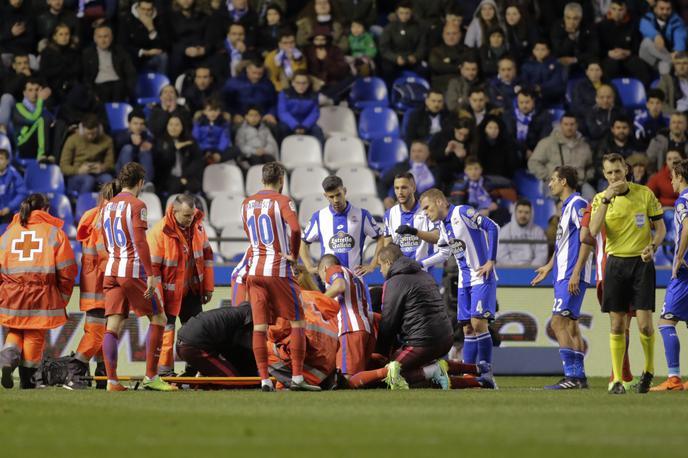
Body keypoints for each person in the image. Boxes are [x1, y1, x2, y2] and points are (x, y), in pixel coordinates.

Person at [348, 245, 487, 390]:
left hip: (421, 342)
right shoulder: (424, 275)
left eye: (380, 265)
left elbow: (389, 322)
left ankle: (436, 370)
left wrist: (381, 352)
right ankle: (479, 372)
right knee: (420, 375)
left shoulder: (394, 282)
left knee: (388, 375)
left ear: (388, 263)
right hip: (445, 338)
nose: (381, 270)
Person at [589, 153, 666, 394]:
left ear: (626, 170)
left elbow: (660, 228)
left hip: (641, 265)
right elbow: (592, 230)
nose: (614, 176)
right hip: (616, 265)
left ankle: (649, 370)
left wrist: (652, 247)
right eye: (610, 173)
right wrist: (605, 201)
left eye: (618, 171)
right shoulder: (600, 198)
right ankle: (617, 381)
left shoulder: (644, 194)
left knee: (644, 325)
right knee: (618, 324)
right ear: (604, 174)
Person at [241, 162, 321, 392]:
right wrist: (294, 256)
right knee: (297, 321)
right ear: (282, 180)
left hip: (254, 270)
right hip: (278, 269)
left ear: (262, 179)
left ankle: (264, 379)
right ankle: (297, 378)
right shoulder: (283, 201)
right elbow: (295, 229)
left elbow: (249, 233)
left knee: (259, 326)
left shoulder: (246, 203)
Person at [100, 162, 177, 392]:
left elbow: (105, 239)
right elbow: (141, 241)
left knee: (112, 324)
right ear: (140, 183)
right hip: (131, 270)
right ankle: (151, 377)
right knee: (159, 318)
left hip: (112, 268)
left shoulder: (106, 206)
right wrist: (152, 274)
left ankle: (112, 382)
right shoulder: (137, 205)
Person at [0, 193, 77, 389]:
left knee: (15, 329)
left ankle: (8, 357)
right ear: (45, 210)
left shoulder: (8, 233)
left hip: (11, 294)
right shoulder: (54, 233)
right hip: (41, 294)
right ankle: (28, 380)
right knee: (34, 334)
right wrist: (63, 297)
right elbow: (67, 271)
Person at [419, 188, 499, 369]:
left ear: (439, 202)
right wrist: (421, 264)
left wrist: (491, 260)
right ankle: (469, 372)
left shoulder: (462, 212)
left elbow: (492, 226)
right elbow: (444, 253)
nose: (425, 213)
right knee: (467, 329)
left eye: (427, 207)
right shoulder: (442, 226)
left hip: (481, 276)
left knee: (479, 324)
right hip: (464, 282)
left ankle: (487, 372)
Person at [531, 166, 593, 389]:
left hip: (571, 274)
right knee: (571, 325)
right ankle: (580, 377)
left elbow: (587, 240)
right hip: (563, 272)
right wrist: (549, 266)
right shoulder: (566, 207)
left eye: (553, 179)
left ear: (564, 181)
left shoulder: (578, 205)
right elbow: (563, 244)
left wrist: (576, 272)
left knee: (558, 323)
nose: (550, 184)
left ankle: (571, 377)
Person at [148, 193, 214, 376]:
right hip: (168, 293)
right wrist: (157, 297)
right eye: (186, 215)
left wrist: (207, 286)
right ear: (174, 211)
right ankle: (164, 372)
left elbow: (207, 257)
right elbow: (152, 269)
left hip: (191, 291)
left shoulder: (198, 227)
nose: (190, 218)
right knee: (166, 333)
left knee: (195, 332)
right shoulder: (159, 232)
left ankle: (192, 370)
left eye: (192, 214)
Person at [63, 181, 121, 390]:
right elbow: (105, 253)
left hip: (92, 284)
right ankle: (74, 370)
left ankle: (103, 374)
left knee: (103, 331)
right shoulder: (109, 218)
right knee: (98, 334)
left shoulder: (93, 215)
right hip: (104, 284)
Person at [651, 158, 688, 391]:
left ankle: (673, 378)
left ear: (680, 177)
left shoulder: (683, 201)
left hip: (684, 272)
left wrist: (678, 257)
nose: (671, 181)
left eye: (673, 177)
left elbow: (687, 228)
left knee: (666, 322)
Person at [301, 175, 383, 275]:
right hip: (329, 281)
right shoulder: (318, 217)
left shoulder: (362, 215)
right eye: (331, 197)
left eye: (338, 194)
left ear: (344, 191)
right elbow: (303, 242)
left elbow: (381, 237)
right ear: (325, 196)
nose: (336, 200)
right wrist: (309, 267)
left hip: (355, 279)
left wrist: (372, 265)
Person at [317, 254, 372, 379]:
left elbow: (339, 286)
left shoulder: (333, 270)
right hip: (362, 327)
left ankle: (388, 371)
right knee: (355, 377)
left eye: (319, 274)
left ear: (324, 268)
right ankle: (382, 365)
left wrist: (318, 301)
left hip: (350, 328)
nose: (321, 279)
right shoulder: (353, 276)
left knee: (345, 378)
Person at [176, 302, 257, 377]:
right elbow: (247, 348)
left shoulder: (235, 314)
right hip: (194, 346)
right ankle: (202, 382)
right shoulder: (250, 315)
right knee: (233, 380)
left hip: (183, 343)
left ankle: (197, 378)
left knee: (232, 373)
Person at [528, 112, 594, 200]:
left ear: (577, 125)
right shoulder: (547, 143)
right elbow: (533, 162)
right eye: (566, 124)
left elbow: (590, 166)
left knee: (593, 200)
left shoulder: (584, 145)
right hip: (555, 182)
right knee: (554, 200)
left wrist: (586, 176)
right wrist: (548, 175)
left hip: (579, 184)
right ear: (560, 125)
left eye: (572, 124)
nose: (569, 127)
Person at [383, 172, 439, 261]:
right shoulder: (389, 214)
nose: (400, 192)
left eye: (404, 187)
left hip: (424, 270)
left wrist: (414, 232)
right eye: (396, 188)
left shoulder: (426, 209)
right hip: (400, 271)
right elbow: (387, 245)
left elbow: (437, 237)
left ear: (413, 188)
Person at [596, 0, 651, 86]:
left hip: (628, 57)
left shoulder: (633, 24)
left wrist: (628, 52)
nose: (617, 13)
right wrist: (608, 53)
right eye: (614, 9)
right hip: (610, 58)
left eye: (620, 10)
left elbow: (638, 46)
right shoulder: (601, 26)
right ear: (609, 9)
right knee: (609, 67)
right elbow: (597, 48)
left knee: (640, 66)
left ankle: (646, 94)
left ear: (625, 10)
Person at [60, 114, 115, 195]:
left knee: (108, 179)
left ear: (99, 130)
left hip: (98, 174)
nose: (90, 136)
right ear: (82, 130)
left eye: (93, 133)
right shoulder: (72, 140)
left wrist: (102, 168)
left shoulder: (107, 140)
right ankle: (83, 205)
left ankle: (107, 206)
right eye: (88, 133)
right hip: (76, 175)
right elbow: (63, 166)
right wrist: (78, 170)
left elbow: (111, 164)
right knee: (89, 180)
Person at [82, 23, 137, 103]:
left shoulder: (120, 51)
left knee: (119, 89)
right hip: (98, 86)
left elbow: (131, 72)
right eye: (100, 37)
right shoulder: (87, 54)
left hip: (118, 85)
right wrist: (91, 92)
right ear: (95, 39)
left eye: (106, 36)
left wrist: (128, 88)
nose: (103, 40)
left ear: (111, 38)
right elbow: (85, 76)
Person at [154, 115, 204, 194]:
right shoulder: (161, 142)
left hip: (187, 176)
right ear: (166, 126)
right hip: (167, 178)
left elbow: (197, 162)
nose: (173, 128)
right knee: (175, 186)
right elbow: (162, 165)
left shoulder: (190, 141)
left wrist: (184, 177)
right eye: (171, 124)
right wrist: (173, 148)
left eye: (177, 125)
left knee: (194, 186)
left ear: (182, 127)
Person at [379, 1, 427, 81]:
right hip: (395, 59)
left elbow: (422, 47)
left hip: (412, 59)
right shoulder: (389, 28)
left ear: (411, 12)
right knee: (387, 68)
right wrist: (395, 58)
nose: (404, 16)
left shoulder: (419, 28)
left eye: (407, 13)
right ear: (397, 12)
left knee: (424, 69)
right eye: (401, 13)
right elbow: (384, 49)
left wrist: (416, 57)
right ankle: (390, 90)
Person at [502, 89, 553, 166]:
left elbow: (544, 138)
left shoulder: (544, 116)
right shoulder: (508, 116)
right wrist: (524, 150)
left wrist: (535, 153)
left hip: (536, 152)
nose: (524, 106)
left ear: (533, 101)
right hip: (515, 150)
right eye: (521, 102)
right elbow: (509, 137)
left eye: (527, 102)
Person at [118, 0, 169, 74]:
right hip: (134, 57)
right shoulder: (127, 19)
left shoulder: (159, 19)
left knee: (163, 57)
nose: (145, 13)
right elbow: (123, 44)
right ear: (138, 8)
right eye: (143, 9)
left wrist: (151, 29)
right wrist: (143, 52)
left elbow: (165, 45)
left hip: (152, 57)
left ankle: (162, 84)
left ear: (153, 9)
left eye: (149, 10)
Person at [12, 78, 55, 163]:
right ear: (24, 93)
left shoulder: (43, 107)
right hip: (23, 144)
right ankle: (42, 155)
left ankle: (53, 156)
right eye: (30, 90)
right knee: (41, 120)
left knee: (58, 124)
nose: (34, 93)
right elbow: (32, 118)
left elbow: (51, 120)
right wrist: (40, 101)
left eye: (36, 90)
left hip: (36, 143)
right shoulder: (19, 107)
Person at [638, 0, 687, 74]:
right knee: (646, 42)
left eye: (668, 9)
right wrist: (656, 35)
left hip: (667, 59)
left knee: (664, 66)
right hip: (651, 58)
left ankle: (670, 61)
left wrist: (677, 51)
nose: (665, 12)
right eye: (662, 8)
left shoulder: (676, 20)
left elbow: (680, 36)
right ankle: (671, 60)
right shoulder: (648, 17)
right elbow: (644, 26)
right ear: (655, 9)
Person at [223, 60, 278, 125]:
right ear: (247, 70)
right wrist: (234, 114)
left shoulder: (268, 84)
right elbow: (226, 103)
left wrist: (271, 113)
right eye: (254, 73)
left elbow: (273, 102)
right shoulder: (233, 83)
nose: (256, 76)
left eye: (260, 74)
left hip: (262, 117)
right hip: (240, 117)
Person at [276, 71, 325, 144]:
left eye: (304, 83)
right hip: (289, 123)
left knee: (317, 131)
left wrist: (305, 126)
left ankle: (320, 153)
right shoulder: (285, 94)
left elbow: (314, 113)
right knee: (282, 129)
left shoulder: (313, 95)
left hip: (307, 123)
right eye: (298, 83)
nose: (301, 86)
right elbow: (282, 112)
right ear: (293, 83)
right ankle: (281, 153)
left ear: (308, 84)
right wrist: (295, 125)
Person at [497, 199, 548, 267]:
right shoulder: (504, 231)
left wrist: (530, 268)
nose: (523, 215)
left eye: (526, 212)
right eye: (520, 212)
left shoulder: (538, 232)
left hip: (532, 270)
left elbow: (542, 255)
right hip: (508, 270)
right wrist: (517, 268)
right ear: (515, 212)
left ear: (531, 214)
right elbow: (500, 256)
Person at [114, 109, 155, 188]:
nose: (138, 127)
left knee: (145, 150)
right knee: (128, 148)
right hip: (122, 172)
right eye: (135, 123)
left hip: (140, 171)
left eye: (141, 124)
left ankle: (146, 185)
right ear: (129, 124)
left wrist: (151, 147)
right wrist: (130, 138)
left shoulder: (147, 137)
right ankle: (128, 182)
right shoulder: (121, 134)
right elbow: (117, 143)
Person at [520, 39, 565, 107]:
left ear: (548, 51)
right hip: (532, 96)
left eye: (543, 49)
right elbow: (524, 82)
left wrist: (541, 88)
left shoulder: (556, 64)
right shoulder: (527, 65)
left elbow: (556, 83)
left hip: (551, 96)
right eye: (537, 49)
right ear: (533, 51)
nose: (540, 52)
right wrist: (534, 88)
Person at [192, 98, 235, 165]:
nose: (213, 113)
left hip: (218, 150)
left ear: (220, 112)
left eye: (215, 110)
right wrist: (205, 150)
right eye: (210, 110)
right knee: (194, 151)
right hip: (203, 150)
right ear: (204, 112)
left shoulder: (223, 123)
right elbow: (195, 138)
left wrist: (218, 152)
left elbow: (224, 139)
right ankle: (208, 159)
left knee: (236, 150)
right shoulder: (199, 123)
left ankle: (213, 159)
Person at [429, 24, 466, 92]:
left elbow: (468, 68)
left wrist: (449, 63)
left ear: (460, 34)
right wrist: (458, 67)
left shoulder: (467, 50)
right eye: (448, 34)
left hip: (462, 84)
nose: (451, 37)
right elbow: (437, 67)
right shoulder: (435, 51)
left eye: (454, 33)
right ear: (443, 35)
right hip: (440, 85)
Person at [0, 149, 28, 226]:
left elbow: (22, 193)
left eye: (1, 158)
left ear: (7, 161)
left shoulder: (14, 175)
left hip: (11, 212)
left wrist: (9, 207)